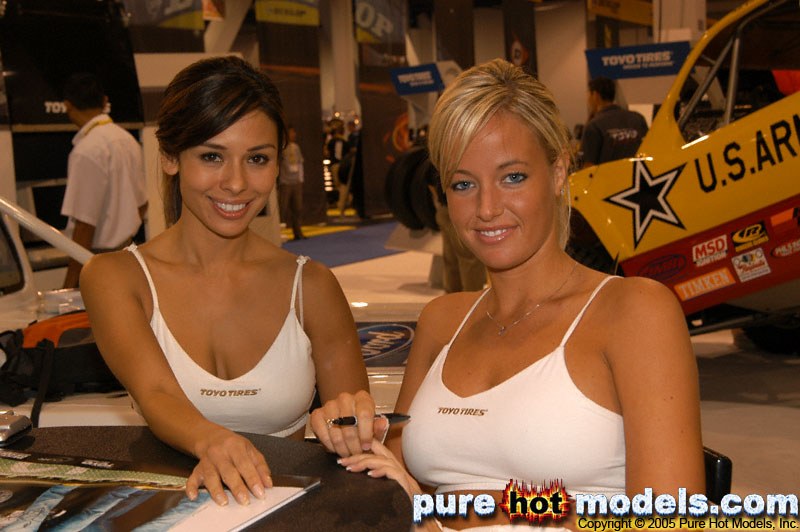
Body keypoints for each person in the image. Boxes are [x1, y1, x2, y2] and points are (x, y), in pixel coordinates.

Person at [316, 59, 705, 530]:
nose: (487, 208)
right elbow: (401, 487)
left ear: (558, 172)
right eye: (463, 184)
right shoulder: (442, 320)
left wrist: (489, 507)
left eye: (513, 177)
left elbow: (671, 518)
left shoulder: (634, 312)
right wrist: (354, 438)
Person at [80, 56, 373, 507]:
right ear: (170, 157)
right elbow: (157, 393)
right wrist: (211, 439)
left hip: (288, 512)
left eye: (257, 159)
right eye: (212, 156)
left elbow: (352, 422)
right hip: (169, 514)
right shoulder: (115, 278)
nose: (236, 183)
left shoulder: (311, 286)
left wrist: (354, 426)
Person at [60, 72, 148, 288]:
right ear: (104, 101)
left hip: (96, 262)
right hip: (128, 256)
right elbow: (142, 205)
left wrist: (69, 285)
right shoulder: (127, 140)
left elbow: (84, 225)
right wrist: (122, 234)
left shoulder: (86, 150)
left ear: (67, 106)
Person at [581, 76, 649, 168]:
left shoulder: (593, 126)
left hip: (608, 176)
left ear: (595, 95)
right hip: (638, 175)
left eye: (589, 95)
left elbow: (589, 167)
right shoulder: (638, 118)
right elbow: (649, 151)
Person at [279, 126, 306, 240]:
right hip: (285, 182)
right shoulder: (281, 148)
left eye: (294, 132)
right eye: (290, 133)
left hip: (296, 182)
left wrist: (301, 178)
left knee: (298, 208)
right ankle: (278, 233)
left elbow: (300, 163)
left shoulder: (296, 147)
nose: (293, 135)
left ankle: (298, 232)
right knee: (283, 208)